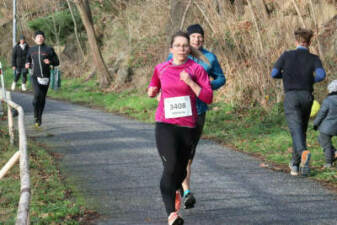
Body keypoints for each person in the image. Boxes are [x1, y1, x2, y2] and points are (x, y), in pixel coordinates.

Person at [148, 31, 213, 225]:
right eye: (178, 45)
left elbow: (208, 97)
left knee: (181, 170)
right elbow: (153, 87)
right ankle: (172, 214)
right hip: (165, 124)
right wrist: (152, 91)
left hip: (187, 126)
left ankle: (176, 188)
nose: (182, 49)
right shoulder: (161, 68)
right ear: (171, 49)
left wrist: (190, 82)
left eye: (185, 45)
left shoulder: (196, 69)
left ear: (189, 48)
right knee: (170, 166)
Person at [168, 24, 225, 209]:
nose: (197, 40)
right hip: (178, 110)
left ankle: (183, 190)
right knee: (177, 153)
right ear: (188, 38)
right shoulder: (176, 56)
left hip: (198, 110)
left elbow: (221, 78)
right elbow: (166, 77)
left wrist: (207, 88)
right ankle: (184, 191)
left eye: (200, 36)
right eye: (193, 36)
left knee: (188, 155)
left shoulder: (209, 58)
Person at [271, 28, 326, 176]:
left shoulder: (287, 55)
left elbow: (274, 73)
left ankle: (303, 152)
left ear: (296, 41)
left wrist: (287, 77)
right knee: (300, 130)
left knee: (295, 129)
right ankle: (295, 165)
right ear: (309, 43)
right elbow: (321, 75)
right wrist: (308, 80)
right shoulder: (314, 58)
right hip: (307, 96)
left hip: (291, 97)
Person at [25, 31, 59, 127]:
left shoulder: (49, 49)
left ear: (44, 38)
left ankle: (39, 118)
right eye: (38, 37)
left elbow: (57, 62)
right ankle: (36, 115)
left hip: (46, 77)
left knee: (42, 98)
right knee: (36, 96)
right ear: (34, 39)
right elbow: (27, 59)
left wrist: (50, 61)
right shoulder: (31, 49)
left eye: (41, 37)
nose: (40, 38)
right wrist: (27, 64)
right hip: (34, 76)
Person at [313, 80, 337, 168]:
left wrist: (315, 124)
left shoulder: (328, 100)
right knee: (320, 138)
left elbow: (321, 114)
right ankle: (334, 152)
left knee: (326, 144)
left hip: (327, 128)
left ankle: (328, 163)